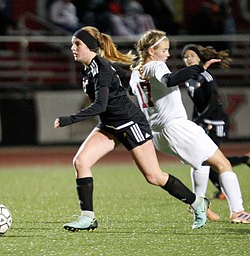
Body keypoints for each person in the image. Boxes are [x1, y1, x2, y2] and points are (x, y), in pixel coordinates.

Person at [54, 26, 209, 232]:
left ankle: (198, 202)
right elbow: (122, 78)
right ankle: (88, 217)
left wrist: (68, 120)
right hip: (110, 124)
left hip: (130, 123)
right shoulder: (92, 68)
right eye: (73, 43)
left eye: (77, 43)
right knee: (81, 162)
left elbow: (100, 106)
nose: (73, 47)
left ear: (89, 46)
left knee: (154, 177)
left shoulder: (100, 69)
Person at [129, 29, 250, 224]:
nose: (167, 54)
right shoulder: (157, 65)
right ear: (151, 50)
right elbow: (169, 79)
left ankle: (200, 205)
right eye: (165, 50)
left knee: (200, 164)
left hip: (158, 135)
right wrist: (197, 68)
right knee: (223, 164)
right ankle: (238, 212)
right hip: (175, 126)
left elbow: (137, 92)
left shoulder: (135, 73)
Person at [181, 44, 250, 220]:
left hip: (216, 121)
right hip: (205, 122)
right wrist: (196, 122)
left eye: (191, 56)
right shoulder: (189, 78)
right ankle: (203, 203)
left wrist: (201, 121)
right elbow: (198, 105)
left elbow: (214, 101)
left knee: (208, 159)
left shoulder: (206, 76)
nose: (188, 59)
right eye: (185, 57)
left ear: (199, 58)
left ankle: (204, 202)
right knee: (206, 160)